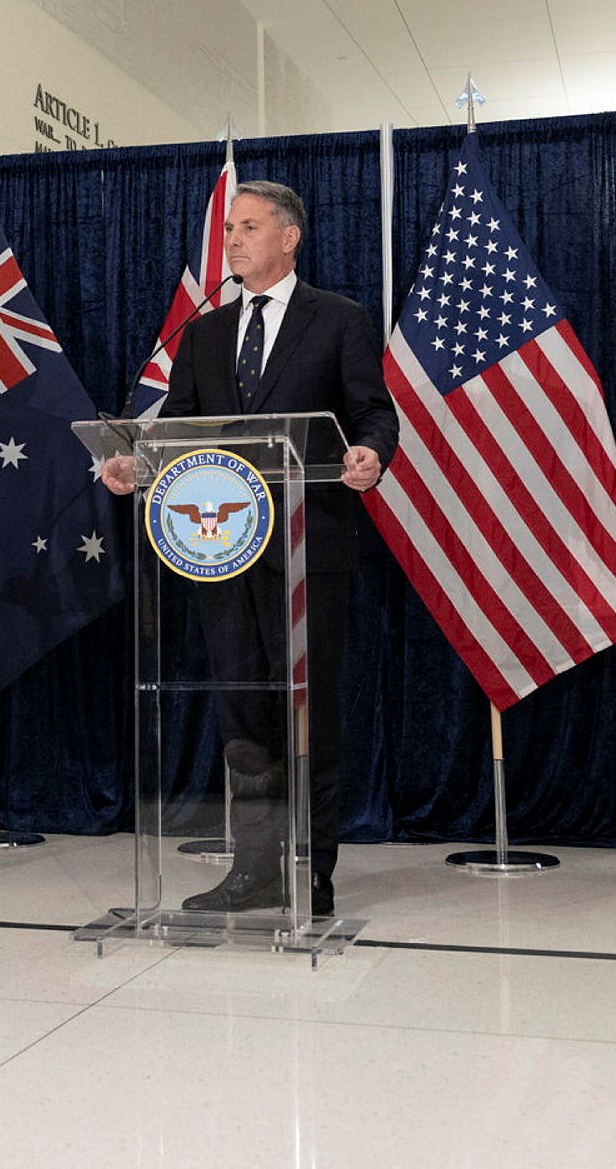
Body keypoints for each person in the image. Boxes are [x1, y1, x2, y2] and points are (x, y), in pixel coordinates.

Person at [101, 181, 396, 919]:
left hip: (307, 545)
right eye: (229, 229)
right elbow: (181, 431)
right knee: (244, 716)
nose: (232, 240)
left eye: (249, 227)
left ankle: (312, 869)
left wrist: (369, 452)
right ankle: (255, 868)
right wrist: (140, 463)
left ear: (290, 237)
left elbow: (372, 410)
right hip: (222, 547)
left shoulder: (340, 319)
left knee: (306, 710)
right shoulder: (202, 333)